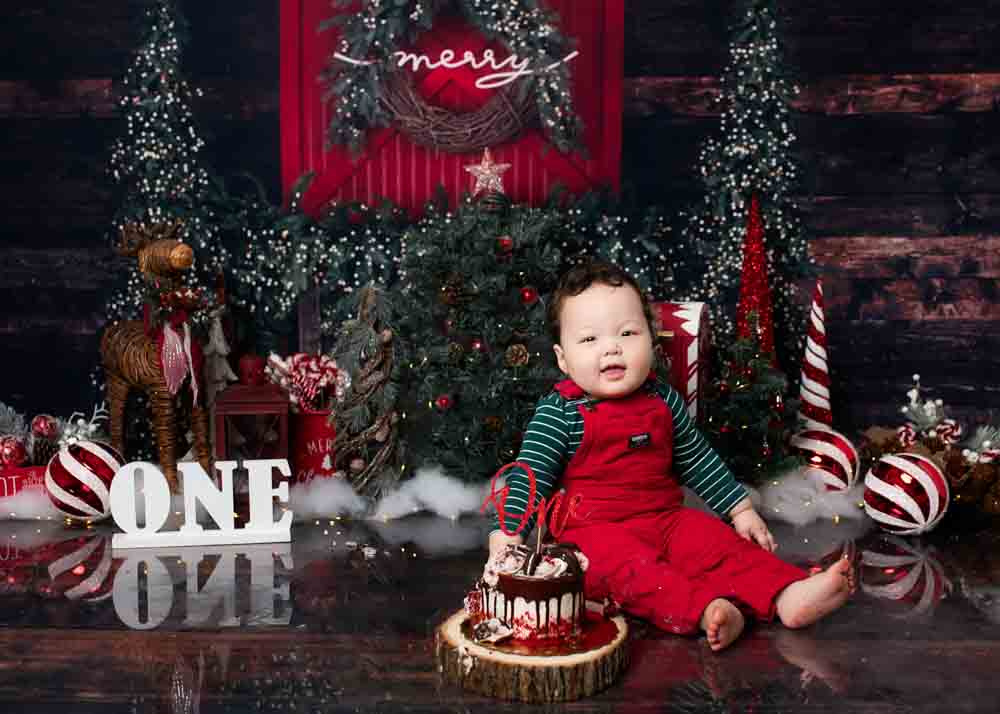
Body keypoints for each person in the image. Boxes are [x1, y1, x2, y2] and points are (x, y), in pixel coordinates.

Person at [486, 260, 854, 651]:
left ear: (651, 341)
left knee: (718, 544)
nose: (611, 347)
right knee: (634, 572)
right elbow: (530, 475)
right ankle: (706, 610)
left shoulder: (662, 400)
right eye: (590, 340)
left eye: (627, 333)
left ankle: (787, 594)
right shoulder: (560, 412)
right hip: (592, 534)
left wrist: (739, 510)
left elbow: (697, 458)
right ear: (563, 359)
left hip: (665, 519)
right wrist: (507, 533)